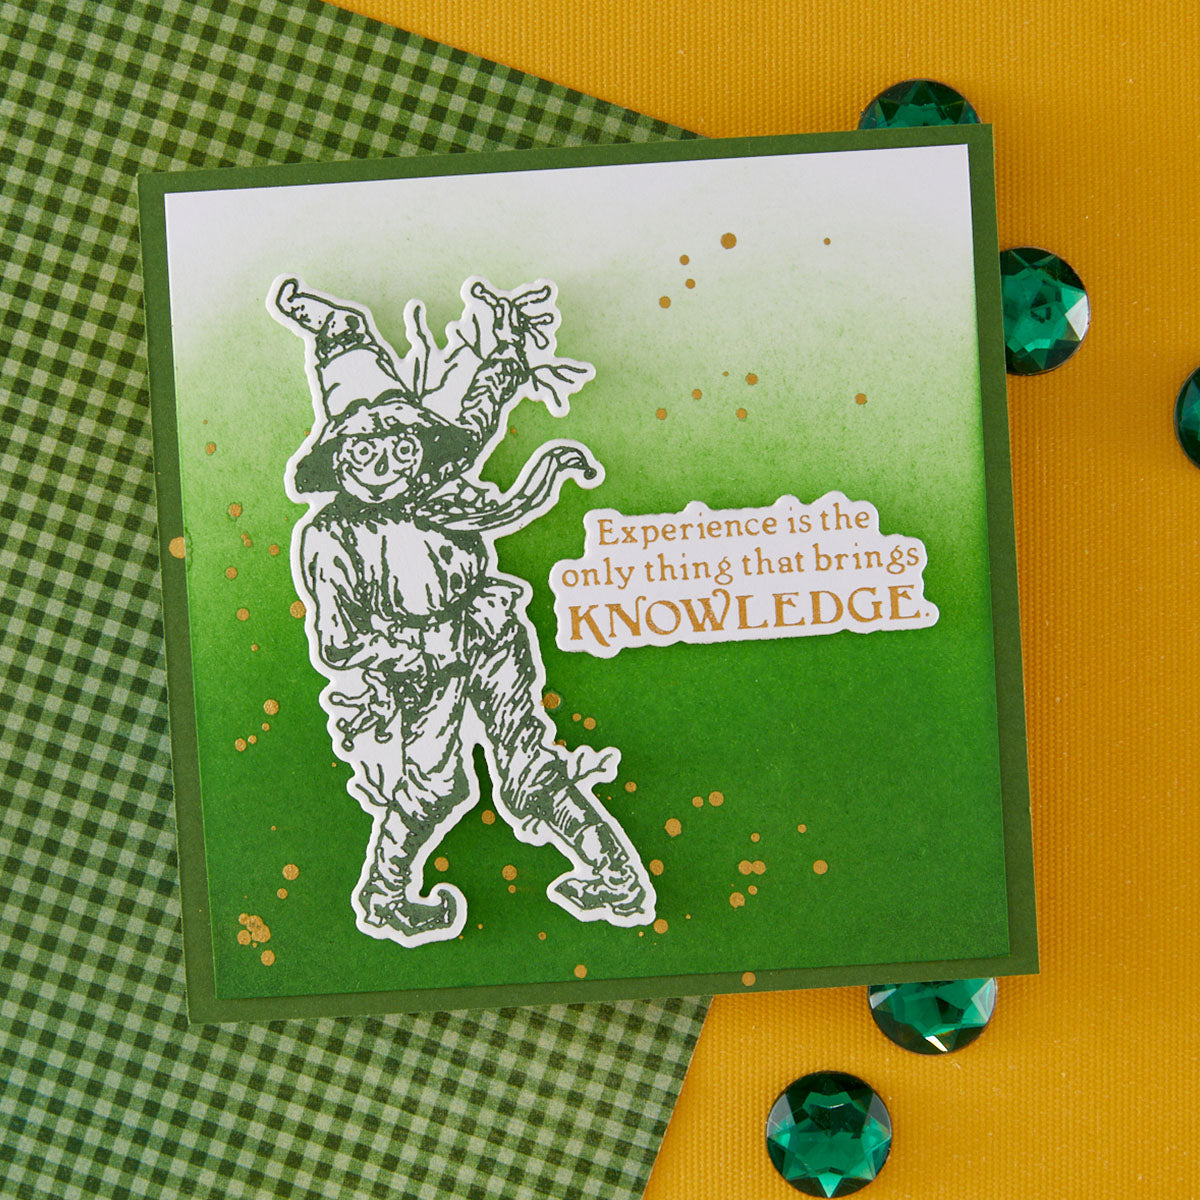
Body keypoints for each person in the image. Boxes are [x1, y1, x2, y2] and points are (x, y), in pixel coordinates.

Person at [271, 275, 656, 946]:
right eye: (363, 450)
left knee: (527, 762)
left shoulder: (442, 488)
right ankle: (385, 895)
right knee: (435, 786)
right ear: (337, 459)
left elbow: (482, 407)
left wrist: (511, 349)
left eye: (401, 446)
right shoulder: (330, 536)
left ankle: (614, 876)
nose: (385, 464)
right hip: (423, 665)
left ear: (421, 447)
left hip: (489, 631)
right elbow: (338, 643)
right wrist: (410, 652)